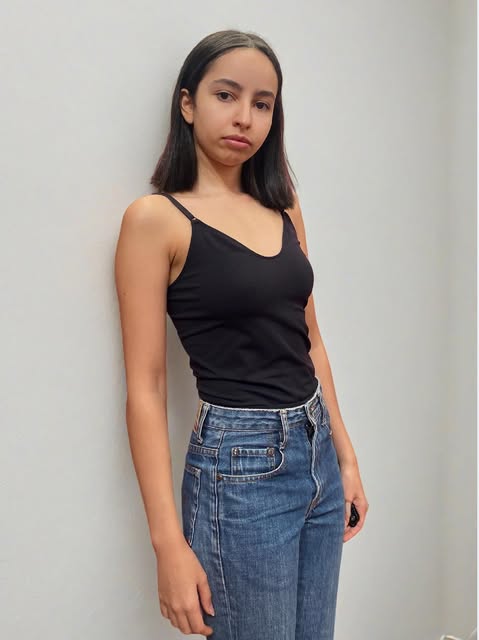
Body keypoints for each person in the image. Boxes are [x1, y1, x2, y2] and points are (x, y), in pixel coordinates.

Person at [114, 28, 368, 639]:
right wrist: (168, 546)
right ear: (187, 103)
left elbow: (310, 340)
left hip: (315, 452)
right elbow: (146, 387)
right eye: (226, 95)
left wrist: (346, 458)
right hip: (240, 468)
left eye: (262, 103)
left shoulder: (283, 206)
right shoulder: (156, 220)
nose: (245, 118)